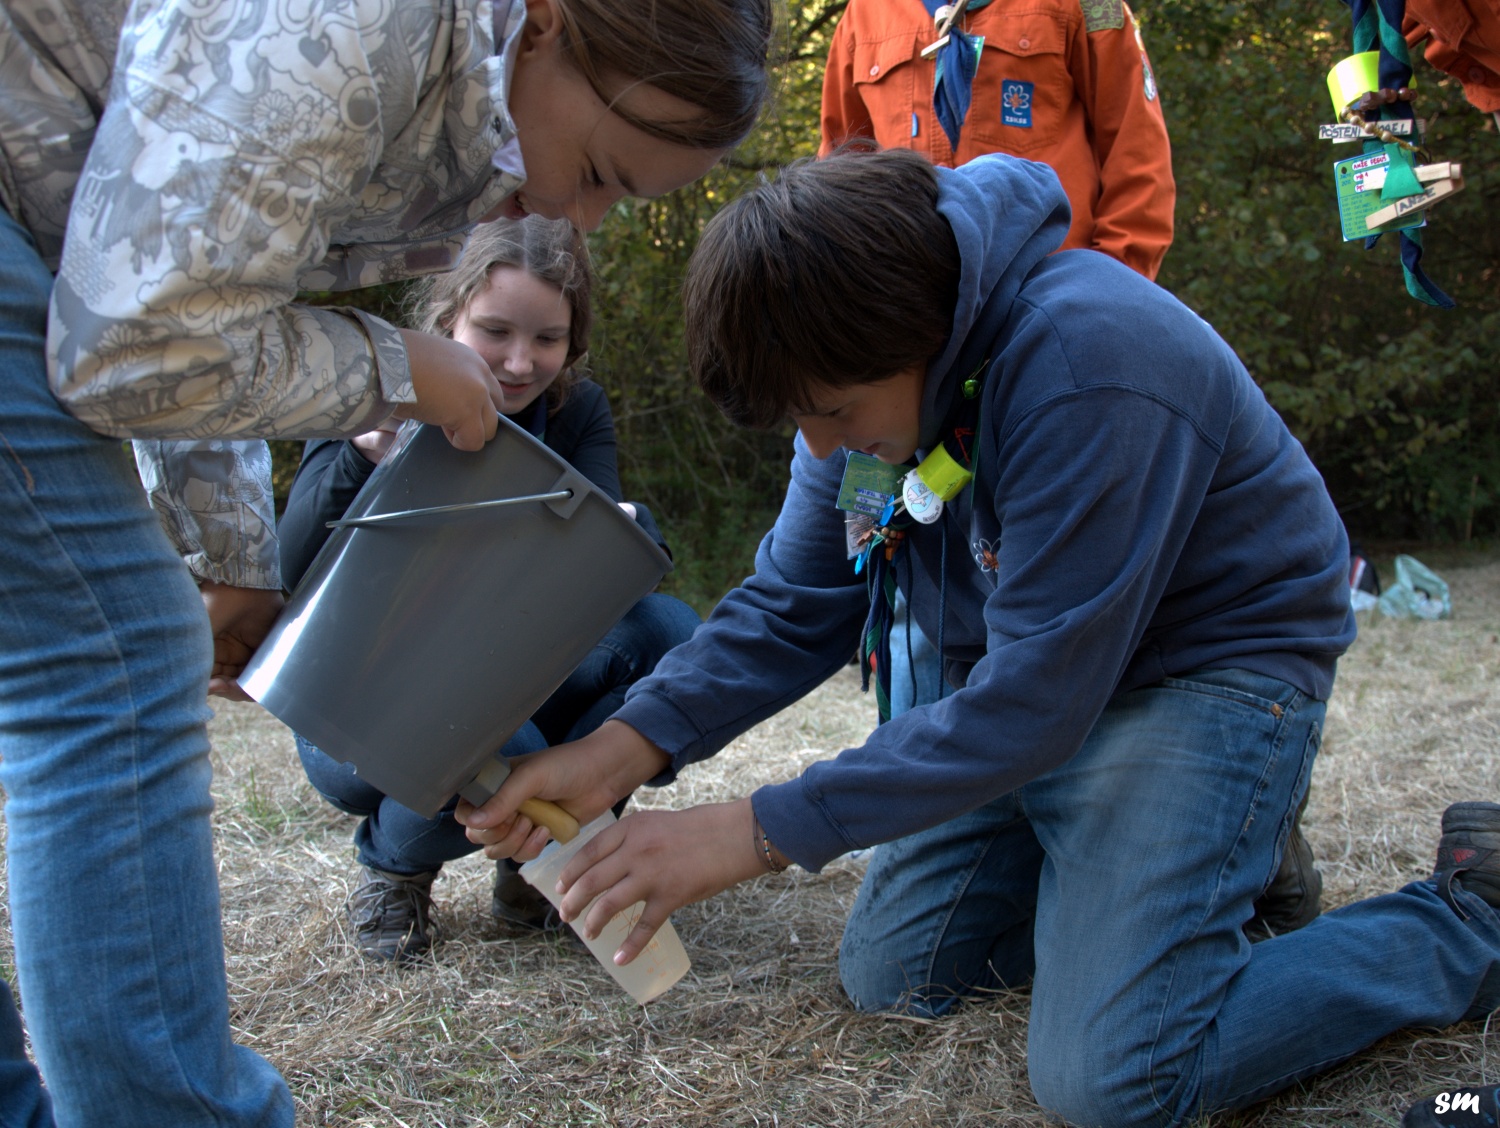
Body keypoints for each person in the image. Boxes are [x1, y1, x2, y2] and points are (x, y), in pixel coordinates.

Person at [460, 149, 1500, 1127]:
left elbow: (1037, 703)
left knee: (1117, 1075)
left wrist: (755, 832)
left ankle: (1463, 914)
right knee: (897, 978)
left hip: (1202, 676)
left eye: (829, 412)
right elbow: (796, 603)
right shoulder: (861, 392)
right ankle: (1209, 863)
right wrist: (616, 751)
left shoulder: (1090, 359)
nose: (819, 448)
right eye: (799, 421)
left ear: (911, 335)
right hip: (1028, 692)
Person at [0, 0, 771, 1121]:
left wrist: (233, 557)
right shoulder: (354, 28)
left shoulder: (442, 108)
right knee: (109, 668)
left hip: (44, 233)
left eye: (617, 200)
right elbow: (133, 345)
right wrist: (392, 369)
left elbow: (189, 281)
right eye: (599, 168)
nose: (573, 213)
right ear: (547, 25)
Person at [277, 216, 700, 963]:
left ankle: (528, 873)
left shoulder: (576, 410)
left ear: (573, 341)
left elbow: (614, 571)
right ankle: (397, 865)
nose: (517, 360)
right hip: (355, 696)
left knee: (667, 635)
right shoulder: (371, 392)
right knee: (486, 724)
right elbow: (291, 567)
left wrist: (629, 524)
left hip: (505, 670)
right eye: (494, 330)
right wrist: (361, 453)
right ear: (448, 317)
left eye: (546, 338)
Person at [819, 0, 1175, 281]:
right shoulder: (862, 16)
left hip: (1054, 303)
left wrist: (1110, 289)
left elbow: (1138, 154)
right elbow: (840, 180)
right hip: (916, 316)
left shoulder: (1089, 6)